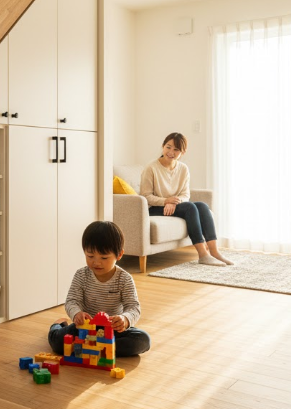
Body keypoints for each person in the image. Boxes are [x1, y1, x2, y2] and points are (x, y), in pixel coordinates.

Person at [48, 221, 150, 357]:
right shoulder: (81, 275)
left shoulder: (124, 278)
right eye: (90, 256)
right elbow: (72, 301)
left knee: (143, 340)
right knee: (57, 343)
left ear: (119, 255)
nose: (96, 262)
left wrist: (124, 319)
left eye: (104, 257)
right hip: (84, 329)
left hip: (112, 330)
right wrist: (77, 314)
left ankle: (95, 347)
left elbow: (133, 307)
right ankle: (58, 325)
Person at [141, 132, 233, 266]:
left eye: (176, 149)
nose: (171, 152)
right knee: (190, 207)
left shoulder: (183, 169)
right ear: (163, 146)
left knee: (202, 206)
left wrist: (174, 202)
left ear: (182, 152)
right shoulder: (151, 168)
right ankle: (203, 255)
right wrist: (166, 201)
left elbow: (185, 194)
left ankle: (214, 252)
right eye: (168, 147)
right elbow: (146, 196)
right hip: (154, 208)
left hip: (174, 205)